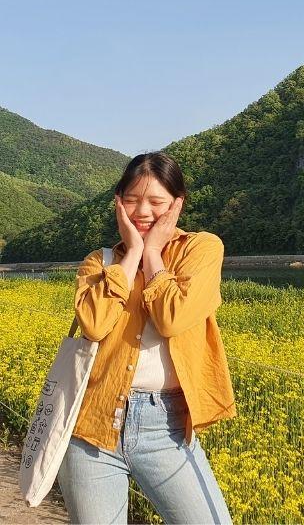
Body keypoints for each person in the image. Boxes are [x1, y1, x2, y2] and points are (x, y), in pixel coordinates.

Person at [57, 152, 237, 524]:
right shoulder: (99, 262)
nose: (143, 211)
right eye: (132, 200)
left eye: (156, 202)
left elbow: (172, 318)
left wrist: (152, 252)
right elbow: (92, 324)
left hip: (166, 426)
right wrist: (132, 254)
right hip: (91, 425)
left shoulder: (201, 249)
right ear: (118, 202)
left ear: (177, 204)